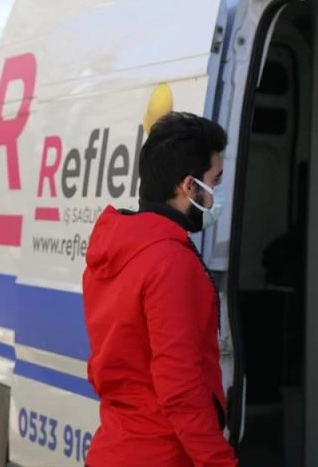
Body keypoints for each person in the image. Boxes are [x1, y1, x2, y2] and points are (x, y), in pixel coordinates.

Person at [82, 112, 238, 467]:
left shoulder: (116, 247)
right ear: (188, 186)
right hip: (162, 454)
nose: (218, 194)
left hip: (114, 448)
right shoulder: (170, 260)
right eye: (215, 180)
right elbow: (180, 387)